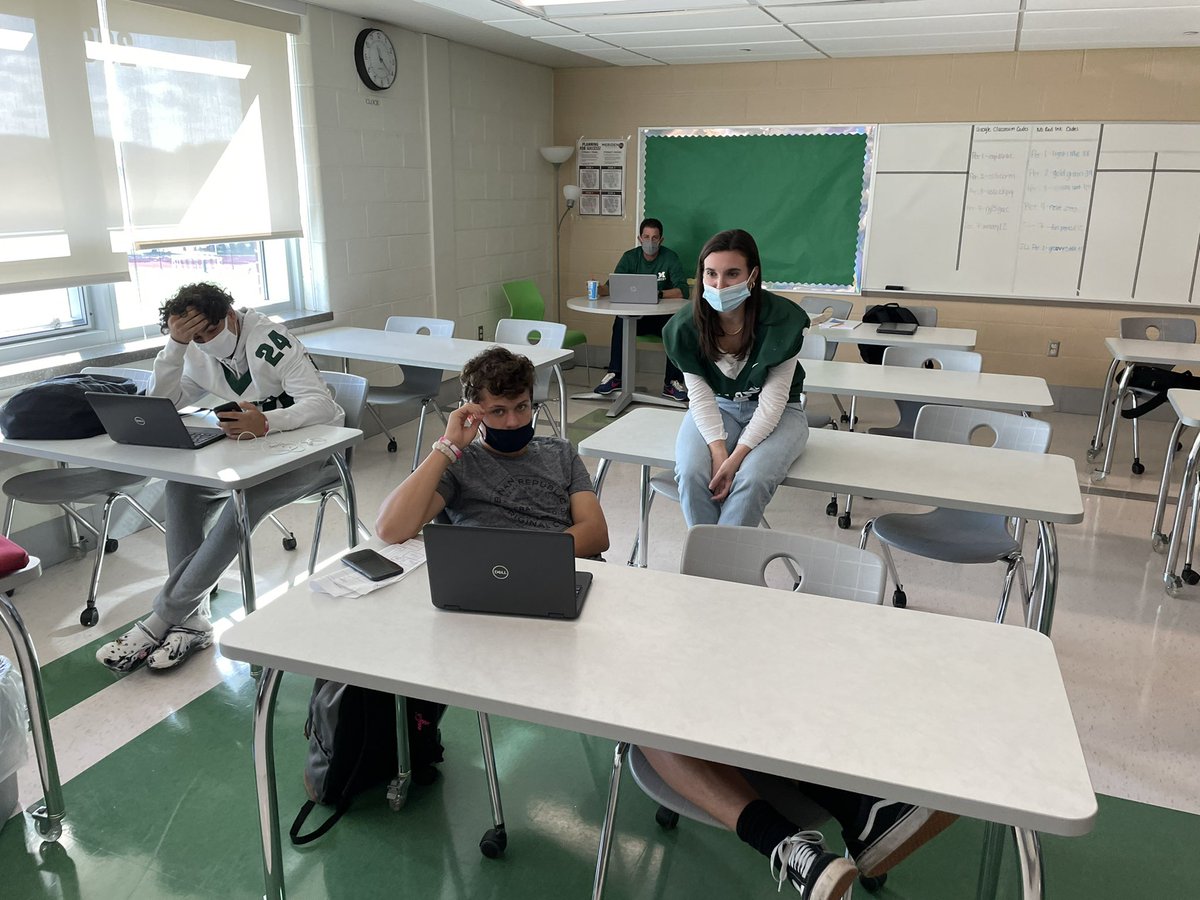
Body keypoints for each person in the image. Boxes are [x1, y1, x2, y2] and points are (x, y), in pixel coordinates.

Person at [96, 283, 345, 673]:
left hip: (314, 451)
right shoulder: (194, 350)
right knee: (181, 487)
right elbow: (164, 402)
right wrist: (175, 348)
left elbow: (321, 404)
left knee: (245, 501)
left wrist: (266, 422)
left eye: (208, 332)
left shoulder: (271, 341)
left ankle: (162, 618)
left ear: (229, 315)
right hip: (251, 451)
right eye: (193, 336)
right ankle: (192, 622)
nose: (204, 342)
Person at [376, 346, 608, 558]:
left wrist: (524, 557)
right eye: (498, 411)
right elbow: (391, 530)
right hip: (493, 573)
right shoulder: (459, 462)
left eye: (521, 407)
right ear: (473, 412)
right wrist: (447, 447)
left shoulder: (560, 452)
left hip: (561, 565)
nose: (513, 422)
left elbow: (596, 533)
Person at [663, 228, 810, 528]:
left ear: (752, 275)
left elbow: (773, 404)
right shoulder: (684, 327)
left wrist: (734, 458)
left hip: (781, 413)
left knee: (752, 478)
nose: (719, 285)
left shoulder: (784, 320)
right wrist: (719, 451)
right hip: (718, 407)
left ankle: (723, 567)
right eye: (710, 274)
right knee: (692, 474)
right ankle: (705, 563)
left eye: (732, 274)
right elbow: (700, 397)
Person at [593, 217, 690, 403]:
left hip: (662, 319)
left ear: (661, 240)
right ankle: (615, 376)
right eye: (646, 237)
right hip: (637, 319)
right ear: (639, 238)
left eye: (655, 238)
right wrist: (599, 289)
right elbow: (612, 285)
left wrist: (658, 293)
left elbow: (682, 291)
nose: (650, 242)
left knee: (678, 327)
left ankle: (672, 382)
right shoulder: (630, 257)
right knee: (620, 320)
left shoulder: (670, 258)